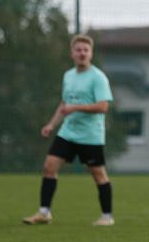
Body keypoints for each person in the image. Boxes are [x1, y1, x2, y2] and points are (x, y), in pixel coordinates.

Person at [23, 35, 116, 226]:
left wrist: (76, 108)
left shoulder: (98, 78)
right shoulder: (68, 75)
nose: (82, 53)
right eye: (78, 50)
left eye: (86, 50)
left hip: (90, 136)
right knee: (49, 167)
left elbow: (103, 106)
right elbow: (64, 103)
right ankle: (44, 212)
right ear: (72, 53)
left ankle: (107, 216)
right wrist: (51, 124)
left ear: (91, 53)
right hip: (68, 133)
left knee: (98, 174)